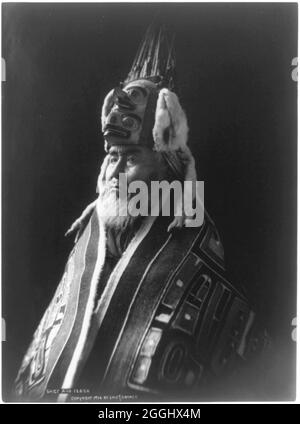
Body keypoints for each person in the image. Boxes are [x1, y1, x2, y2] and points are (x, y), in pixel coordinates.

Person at [14, 25, 268, 402]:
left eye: (131, 158)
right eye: (112, 157)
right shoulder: (89, 244)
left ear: (168, 166)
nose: (114, 173)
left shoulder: (197, 253)